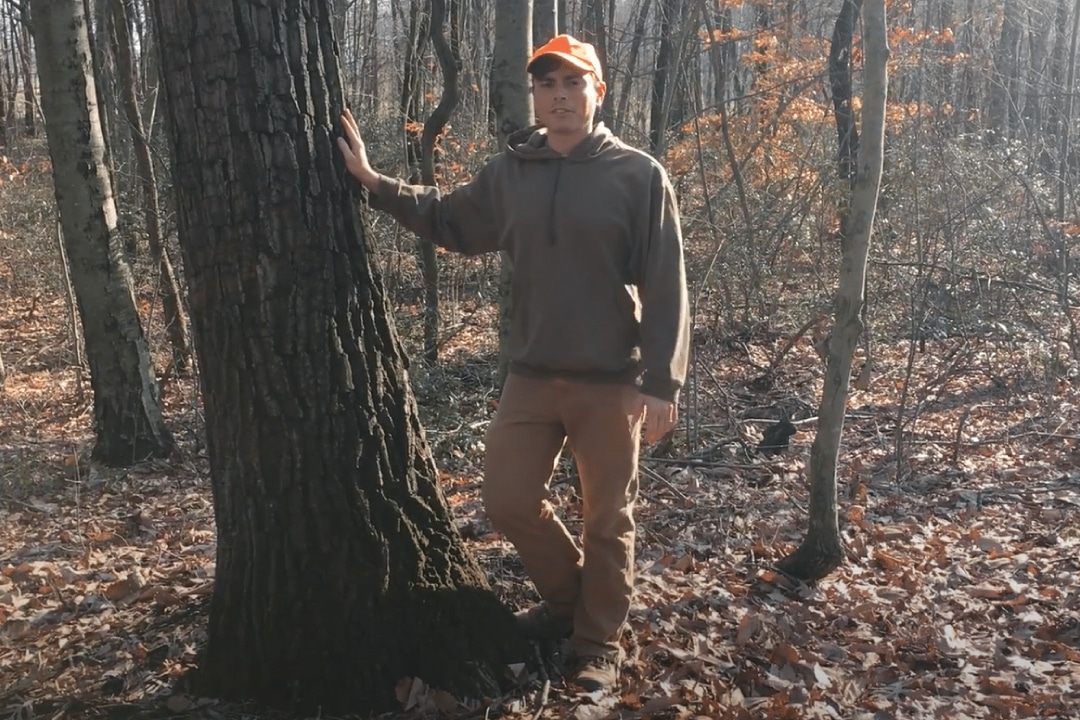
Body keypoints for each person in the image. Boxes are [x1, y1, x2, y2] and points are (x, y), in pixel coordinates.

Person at [337, 34, 689, 692]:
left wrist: (662, 382)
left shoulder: (639, 176)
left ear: (598, 93)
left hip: (610, 382)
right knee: (507, 501)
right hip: (530, 376)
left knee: (608, 517)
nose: (560, 94)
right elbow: (450, 219)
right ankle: (569, 603)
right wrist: (373, 183)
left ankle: (597, 642)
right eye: (547, 84)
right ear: (534, 95)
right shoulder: (510, 173)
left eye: (573, 83)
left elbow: (667, 284)